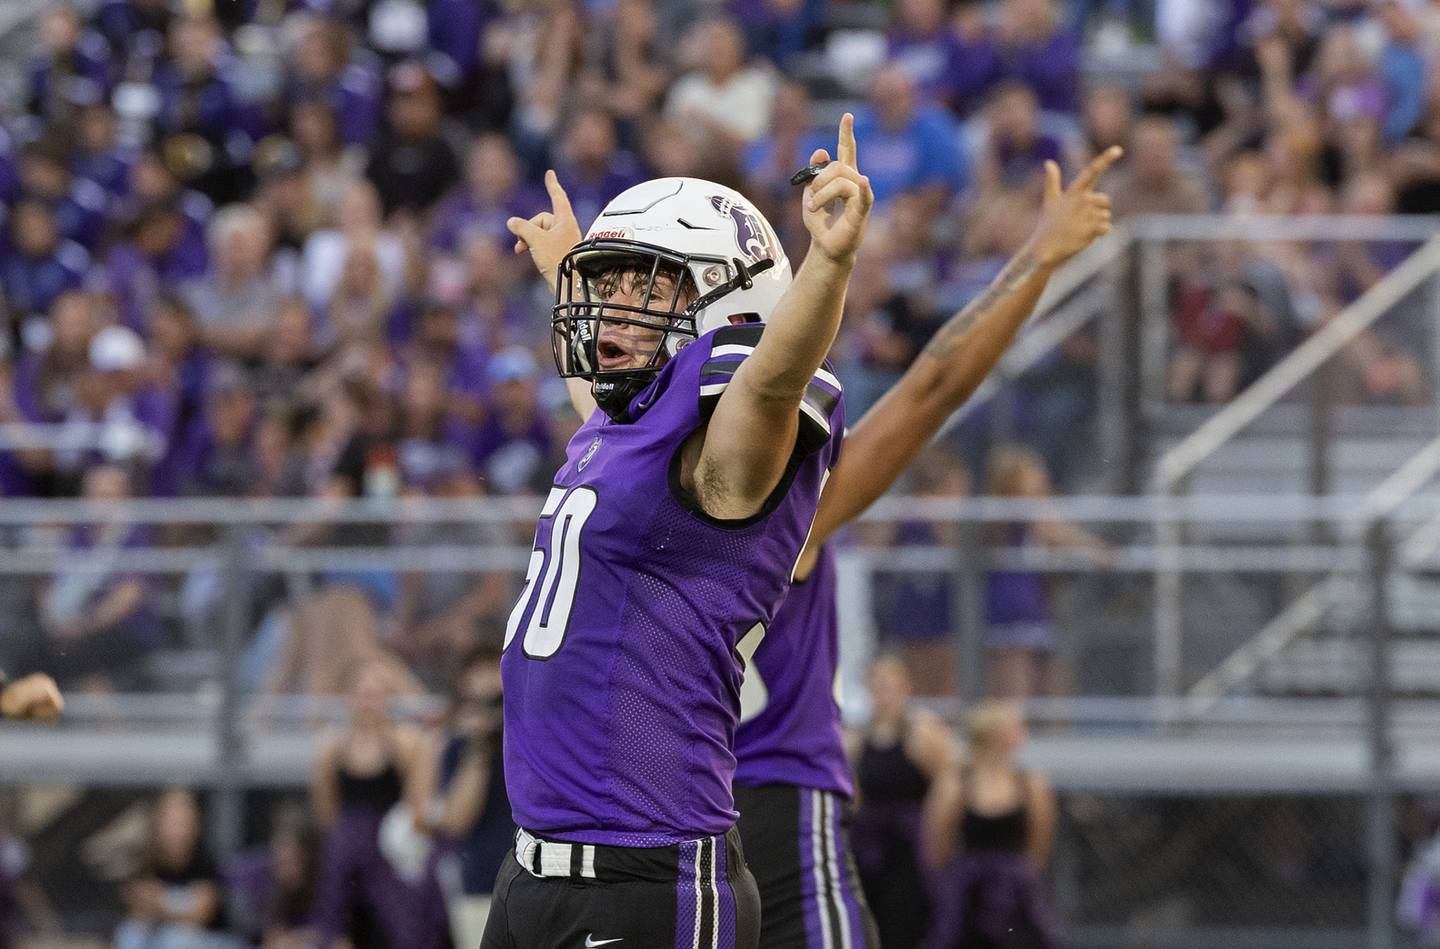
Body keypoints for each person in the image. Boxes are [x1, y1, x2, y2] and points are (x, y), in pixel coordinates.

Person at [485, 115, 871, 947]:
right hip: (530, 868)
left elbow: (771, 383)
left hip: (646, 876)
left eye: (647, 288)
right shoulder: (623, 429)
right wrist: (566, 267)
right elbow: (602, 415)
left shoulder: (729, 447)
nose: (613, 308)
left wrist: (827, 266)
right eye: (610, 286)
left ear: (729, 299)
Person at [730, 148, 1118, 948]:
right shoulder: (783, 516)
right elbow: (932, 386)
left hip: (681, 807)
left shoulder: (643, 496)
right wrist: (1036, 258)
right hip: (778, 803)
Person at [310, 660, 446, 949]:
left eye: (375, 695)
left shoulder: (406, 743)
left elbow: (418, 807)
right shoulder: (332, 748)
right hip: (346, 854)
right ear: (347, 698)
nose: (367, 703)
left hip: (390, 854)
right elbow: (326, 811)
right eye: (361, 694)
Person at [923, 701, 1061, 949]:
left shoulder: (1030, 783)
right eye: (1014, 726)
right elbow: (937, 843)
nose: (1021, 733)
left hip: (1016, 891)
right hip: (969, 890)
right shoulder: (956, 782)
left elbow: (1038, 843)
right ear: (993, 734)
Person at [850, 655, 958, 948]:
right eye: (877, 685)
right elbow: (854, 797)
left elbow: (947, 786)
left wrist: (938, 840)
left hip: (912, 844)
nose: (883, 693)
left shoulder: (922, 732)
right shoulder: (858, 738)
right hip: (871, 844)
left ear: (905, 688)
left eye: (890, 686)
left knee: (909, 920)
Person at [434, 644, 512, 949]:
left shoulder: (535, 743)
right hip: (482, 886)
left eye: (496, 699)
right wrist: (478, 746)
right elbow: (455, 823)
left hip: (537, 885)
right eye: (475, 701)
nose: (489, 710)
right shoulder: (460, 747)